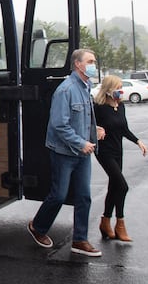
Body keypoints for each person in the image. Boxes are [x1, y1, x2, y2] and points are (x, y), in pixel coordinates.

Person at [27, 48, 106, 257]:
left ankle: (80, 241)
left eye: (94, 61)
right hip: (64, 152)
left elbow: (82, 117)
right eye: (90, 61)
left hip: (82, 153)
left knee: (84, 197)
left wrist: (93, 131)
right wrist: (81, 143)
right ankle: (38, 226)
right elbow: (59, 125)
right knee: (59, 195)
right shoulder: (66, 90)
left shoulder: (85, 86)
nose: (93, 65)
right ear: (78, 64)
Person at [92, 75, 148, 242]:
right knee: (122, 186)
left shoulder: (120, 106)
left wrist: (138, 141)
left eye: (121, 87)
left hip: (118, 151)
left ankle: (105, 222)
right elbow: (87, 124)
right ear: (108, 90)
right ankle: (120, 223)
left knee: (114, 186)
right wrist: (95, 128)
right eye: (117, 88)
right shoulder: (99, 108)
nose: (120, 91)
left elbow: (124, 129)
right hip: (104, 151)